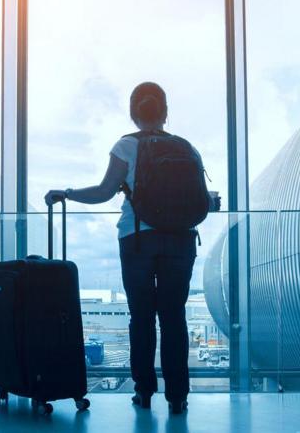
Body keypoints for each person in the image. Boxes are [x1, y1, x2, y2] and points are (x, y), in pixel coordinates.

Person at [45, 82, 199, 415]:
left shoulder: (126, 145)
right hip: (180, 242)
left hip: (138, 239)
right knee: (174, 318)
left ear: (133, 113)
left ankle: (144, 392)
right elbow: (199, 201)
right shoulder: (187, 148)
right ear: (165, 112)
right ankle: (178, 397)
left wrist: (67, 193)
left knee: (141, 318)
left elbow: (104, 191)